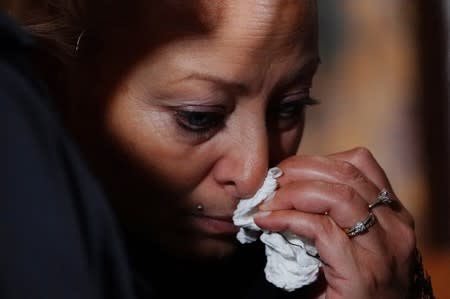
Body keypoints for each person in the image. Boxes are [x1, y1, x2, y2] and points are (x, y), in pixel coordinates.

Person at [6, 0, 434, 298]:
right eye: (199, 117)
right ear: (56, 80)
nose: (255, 172)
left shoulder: (305, 274)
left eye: (291, 107)